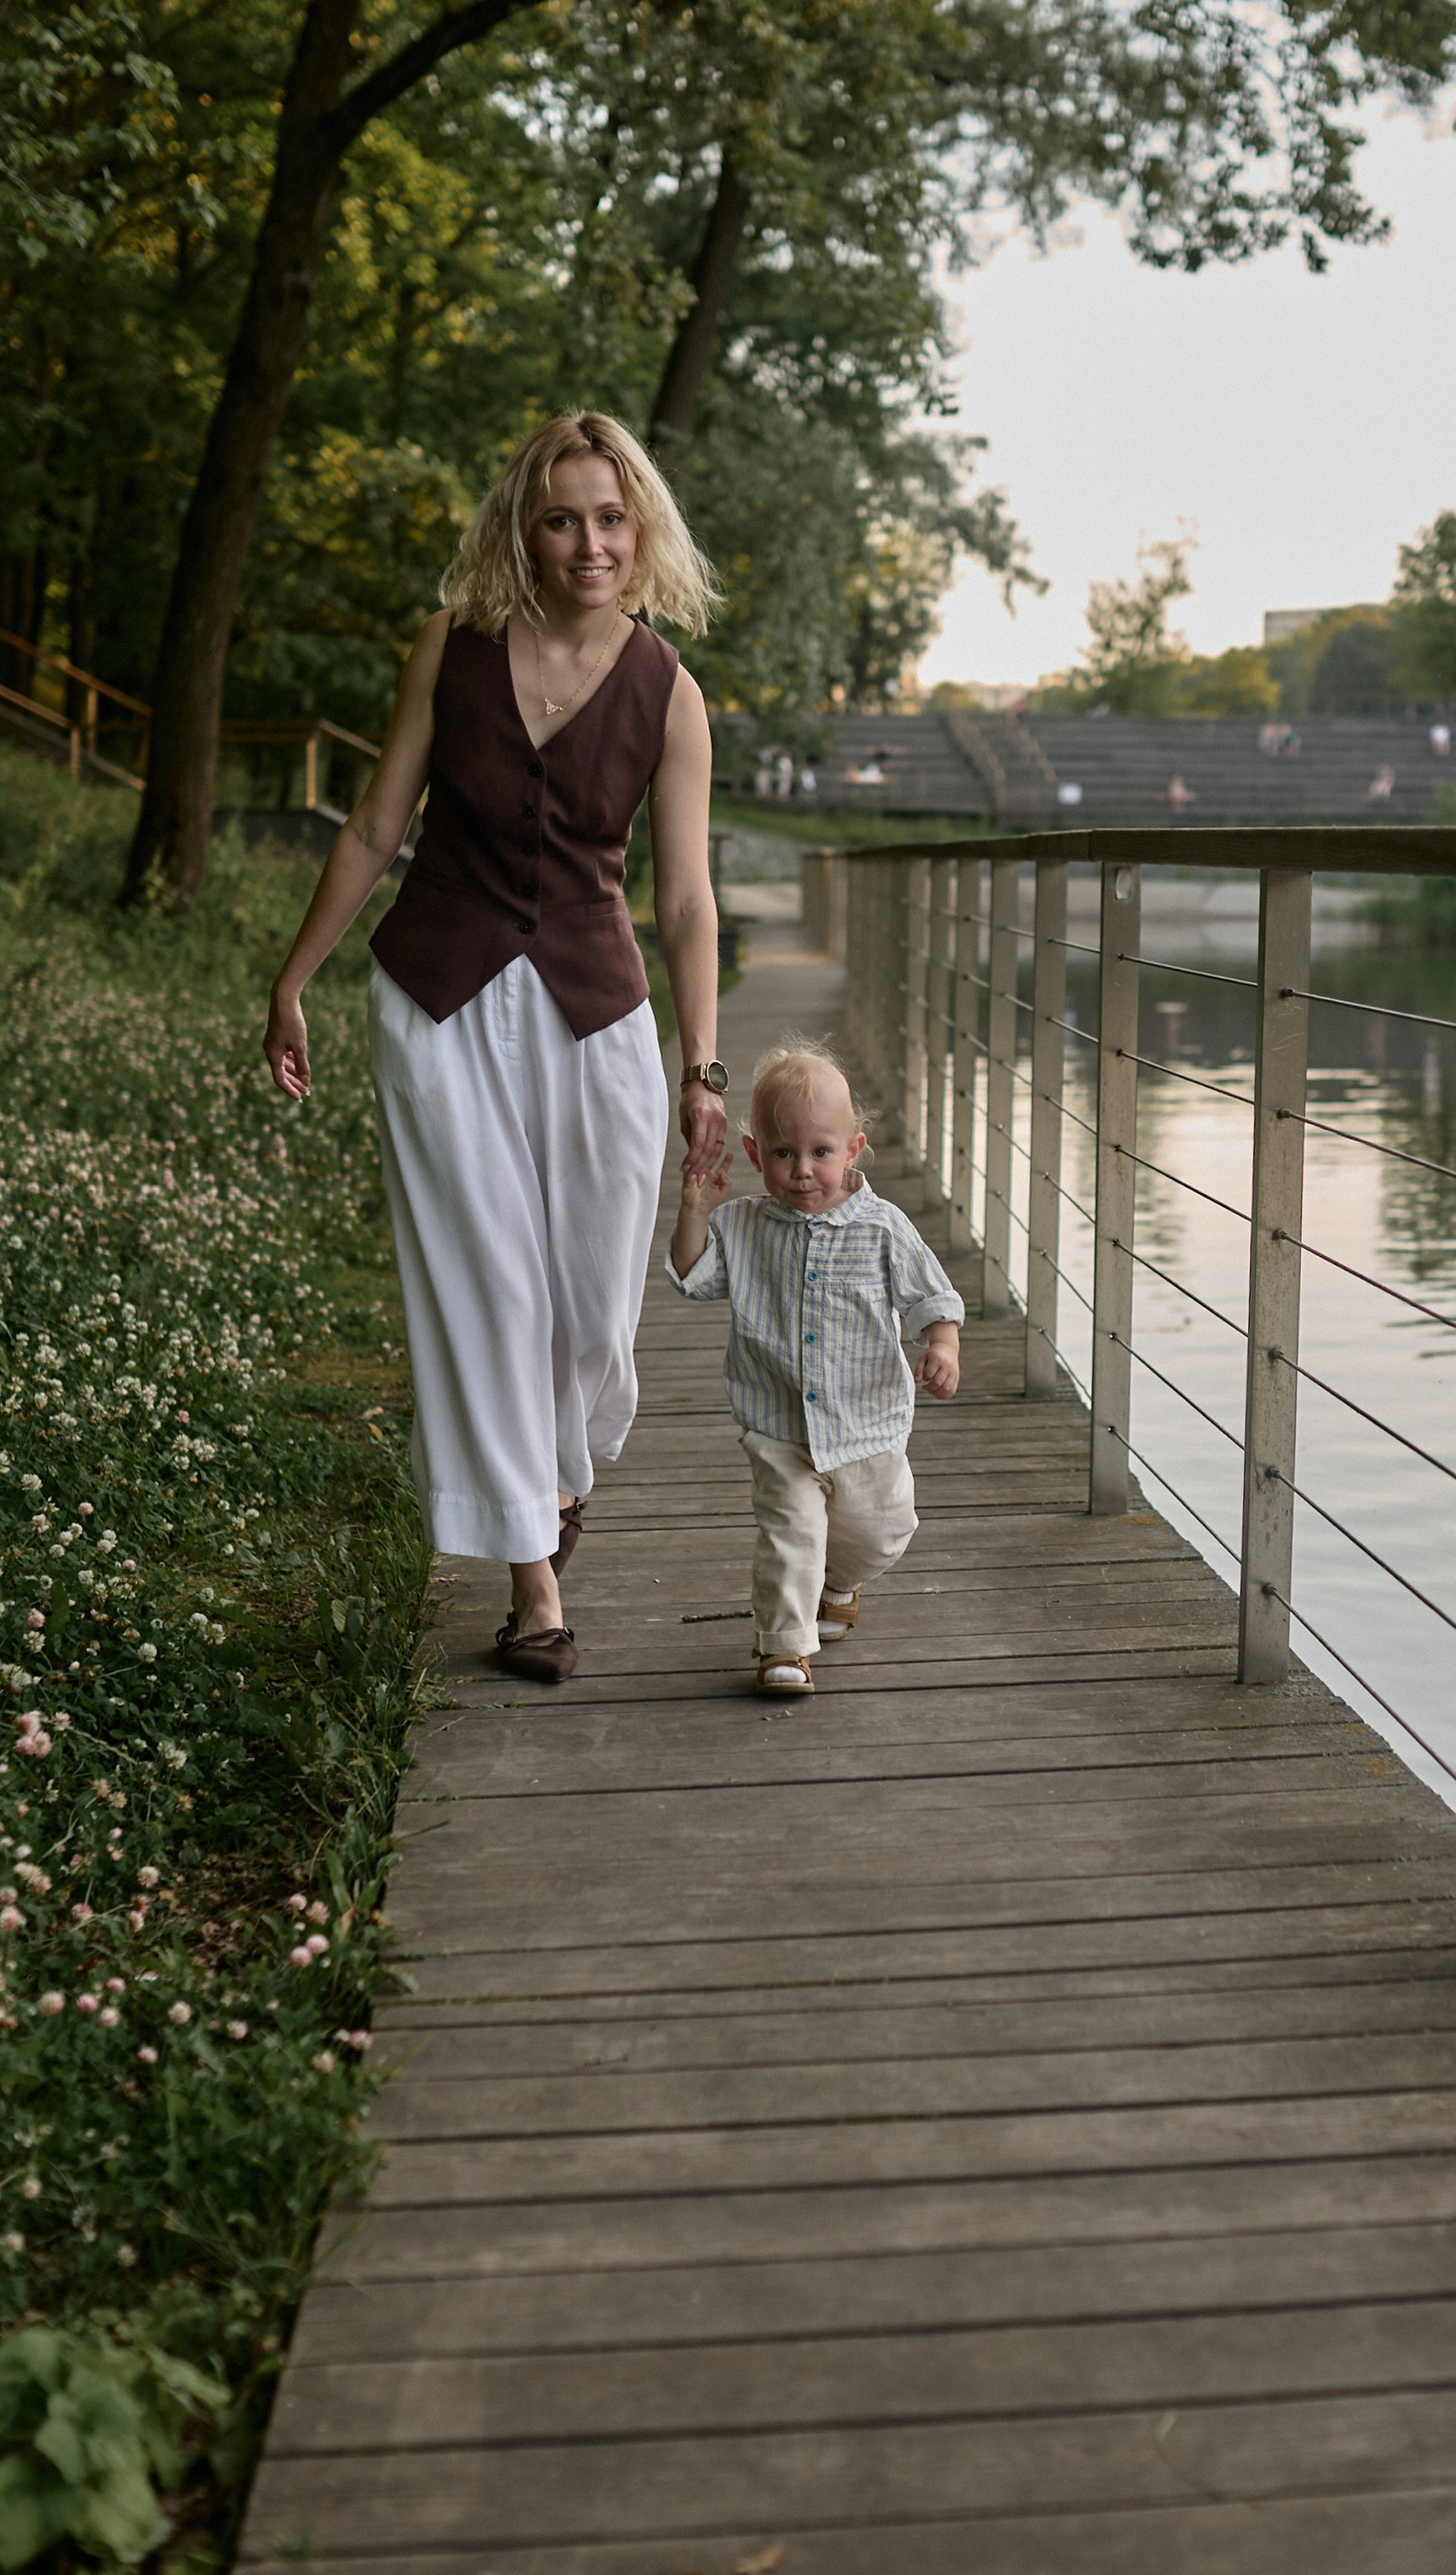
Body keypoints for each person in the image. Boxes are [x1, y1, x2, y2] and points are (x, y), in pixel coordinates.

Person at [263, 409, 728, 1686]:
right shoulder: (450, 647)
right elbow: (375, 824)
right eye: (563, 518)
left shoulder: (669, 692)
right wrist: (293, 978)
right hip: (439, 1002)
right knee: (491, 1289)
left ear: (642, 530)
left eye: (611, 518)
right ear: (524, 529)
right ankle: (533, 1583)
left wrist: (702, 1068)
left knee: (592, 1307)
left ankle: (554, 1477)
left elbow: (688, 899)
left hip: (596, 1014)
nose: (590, 543)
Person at [669, 1045, 962, 1696]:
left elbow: (932, 1297)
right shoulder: (741, 1225)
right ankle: (785, 1648)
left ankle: (841, 1583)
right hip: (778, 1422)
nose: (802, 1170)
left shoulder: (883, 1227)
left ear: (853, 1150)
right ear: (754, 1154)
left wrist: (942, 1346)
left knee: (882, 1533)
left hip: (866, 1424)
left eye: (820, 1152)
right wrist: (694, 1210)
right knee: (791, 1533)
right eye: (783, 1153)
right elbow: (692, 1278)